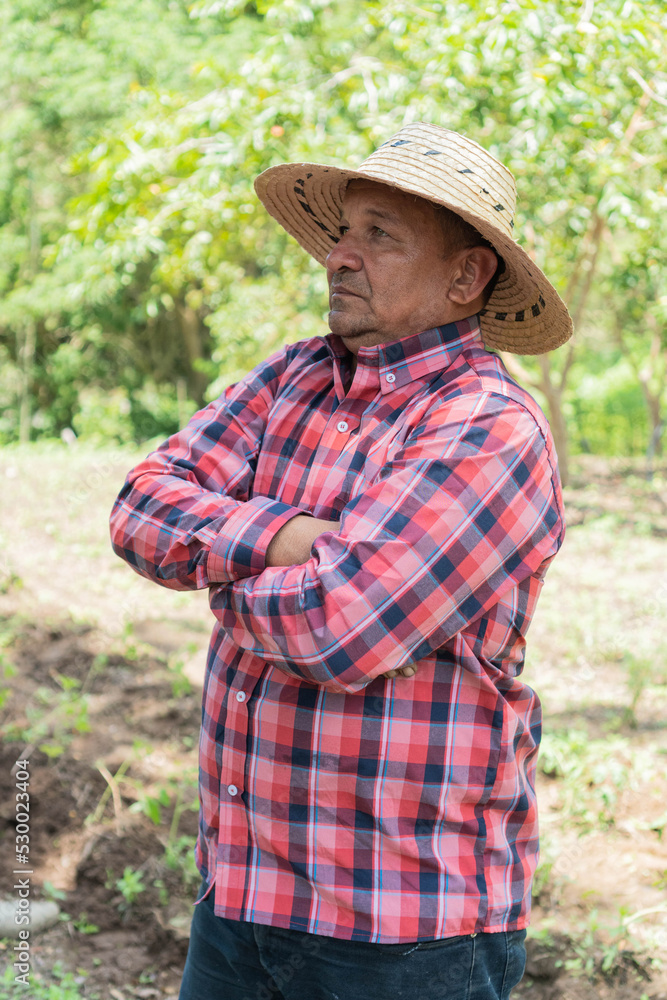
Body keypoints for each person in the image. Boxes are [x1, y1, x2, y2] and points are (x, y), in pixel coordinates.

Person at [110, 121, 572, 1000]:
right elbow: (138, 505)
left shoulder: (487, 426)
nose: (339, 256)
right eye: (342, 230)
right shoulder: (293, 377)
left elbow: (337, 625)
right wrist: (285, 540)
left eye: (379, 235)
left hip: (401, 931)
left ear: (465, 276)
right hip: (242, 898)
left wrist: (211, 567)